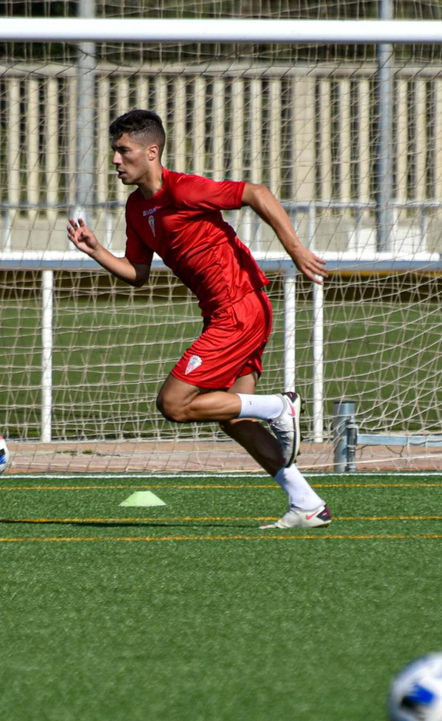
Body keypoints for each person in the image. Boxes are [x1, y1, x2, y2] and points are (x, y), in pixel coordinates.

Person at [65, 109, 334, 528]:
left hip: (239, 309)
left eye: (124, 151)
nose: (115, 160)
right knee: (235, 418)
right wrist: (97, 251)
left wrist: (296, 250)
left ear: (151, 152)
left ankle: (280, 407)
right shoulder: (136, 208)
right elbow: (138, 273)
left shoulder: (184, 189)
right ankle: (307, 503)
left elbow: (256, 193)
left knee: (173, 404)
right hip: (230, 312)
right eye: (114, 151)